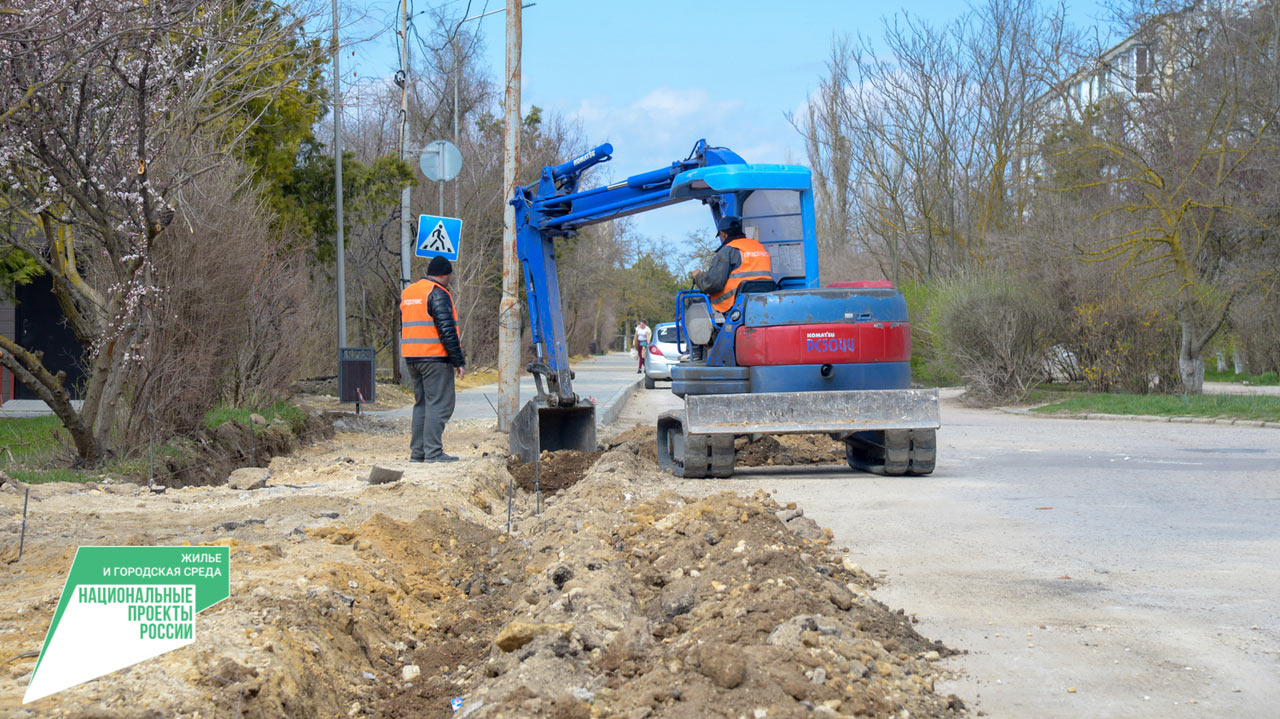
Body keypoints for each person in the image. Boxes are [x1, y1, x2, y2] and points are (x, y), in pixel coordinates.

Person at [401, 256, 466, 462]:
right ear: (445, 274)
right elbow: (447, 331)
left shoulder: (409, 292)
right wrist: (458, 361)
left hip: (412, 357)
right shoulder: (438, 293)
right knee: (439, 404)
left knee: (421, 405)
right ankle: (433, 453)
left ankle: (418, 453)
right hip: (434, 357)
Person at [692, 215, 773, 314]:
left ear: (723, 234)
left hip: (734, 304)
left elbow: (712, 284)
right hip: (763, 301)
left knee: (695, 306)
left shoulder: (728, 250)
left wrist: (698, 276)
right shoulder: (759, 247)